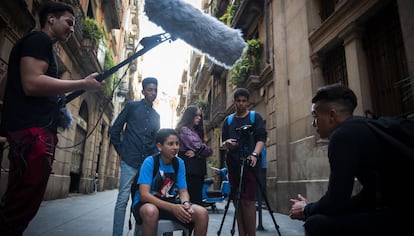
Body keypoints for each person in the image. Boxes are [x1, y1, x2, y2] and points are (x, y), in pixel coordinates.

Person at [0, 2, 103, 235]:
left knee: (21, 200)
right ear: (51, 20)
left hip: (31, 132)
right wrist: (83, 83)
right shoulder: (40, 41)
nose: (71, 28)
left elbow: (7, 87)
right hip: (32, 134)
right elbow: (32, 83)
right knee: (22, 202)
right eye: (69, 22)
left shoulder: (38, 45)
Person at [289, 83, 411, 236]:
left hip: (401, 217)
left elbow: (336, 200)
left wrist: (306, 210)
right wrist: (312, 208)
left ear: (332, 115)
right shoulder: (363, 126)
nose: (314, 124)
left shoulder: (342, 136)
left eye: (315, 116)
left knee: (316, 224)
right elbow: (368, 195)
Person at [132, 128, 208, 236]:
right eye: (170, 144)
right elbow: (144, 195)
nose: (175, 147)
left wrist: (185, 204)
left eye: (177, 144)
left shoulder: (179, 163)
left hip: (169, 201)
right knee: (151, 211)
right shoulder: (150, 162)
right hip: (147, 203)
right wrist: (172, 208)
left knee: (202, 213)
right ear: (159, 146)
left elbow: (183, 191)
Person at [110, 77, 160, 236]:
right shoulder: (132, 107)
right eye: (150, 89)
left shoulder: (156, 116)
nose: (153, 92)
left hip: (146, 166)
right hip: (129, 162)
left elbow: (155, 141)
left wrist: (152, 162)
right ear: (143, 91)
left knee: (142, 201)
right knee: (122, 201)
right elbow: (115, 129)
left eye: (155, 90)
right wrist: (122, 152)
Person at [222, 88, 267, 236]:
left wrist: (254, 154)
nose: (241, 104)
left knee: (248, 201)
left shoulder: (255, 118)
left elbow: (261, 138)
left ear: (247, 102)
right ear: (234, 102)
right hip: (234, 164)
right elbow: (223, 142)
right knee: (237, 201)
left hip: (250, 165)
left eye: (244, 101)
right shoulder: (228, 121)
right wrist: (227, 143)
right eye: (238, 101)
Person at [175, 105, 213, 205]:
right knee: (193, 200)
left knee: (196, 199)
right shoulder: (185, 130)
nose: (199, 118)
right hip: (191, 169)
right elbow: (200, 147)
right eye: (196, 115)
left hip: (197, 170)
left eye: (200, 116)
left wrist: (197, 153)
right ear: (190, 116)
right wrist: (200, 151)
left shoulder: (195, 131)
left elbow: (208, 151)